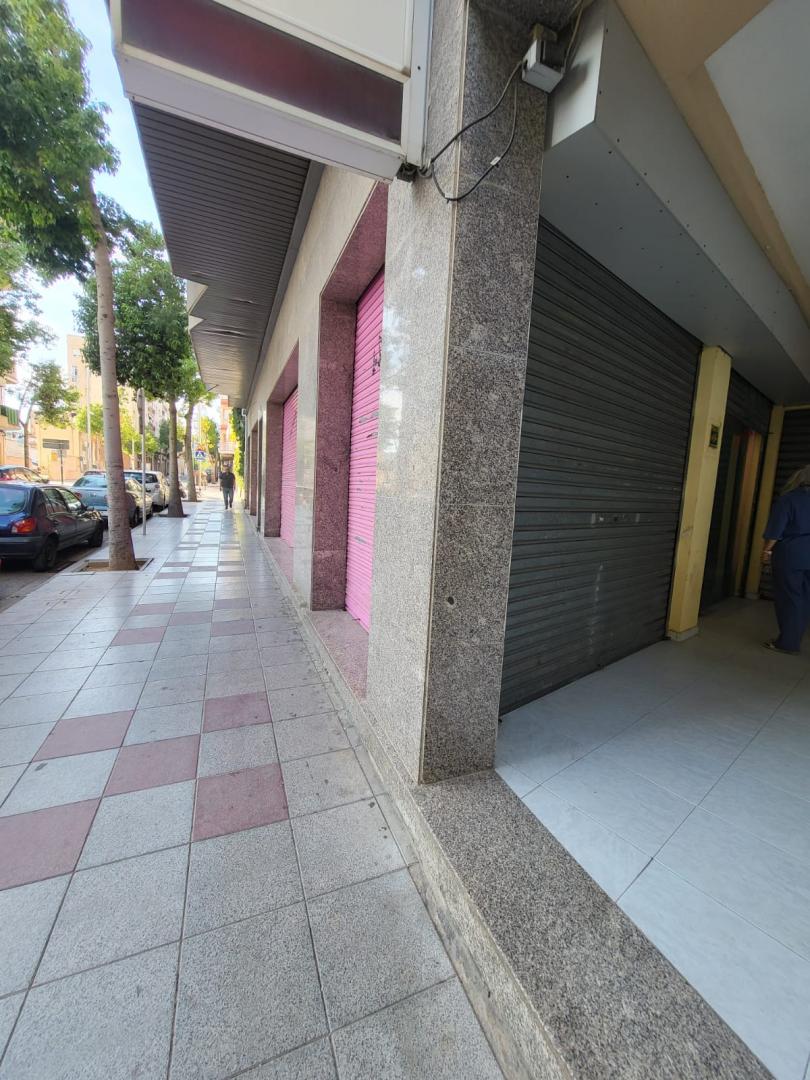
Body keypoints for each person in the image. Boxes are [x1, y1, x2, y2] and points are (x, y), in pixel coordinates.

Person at [761, 464, 810, 654]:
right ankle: (793, 638)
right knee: (804, 599)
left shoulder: (788, 499)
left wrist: (766, 551)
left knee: (789, 599)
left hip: (791, 556)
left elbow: (775, 531)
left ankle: (787, 643)